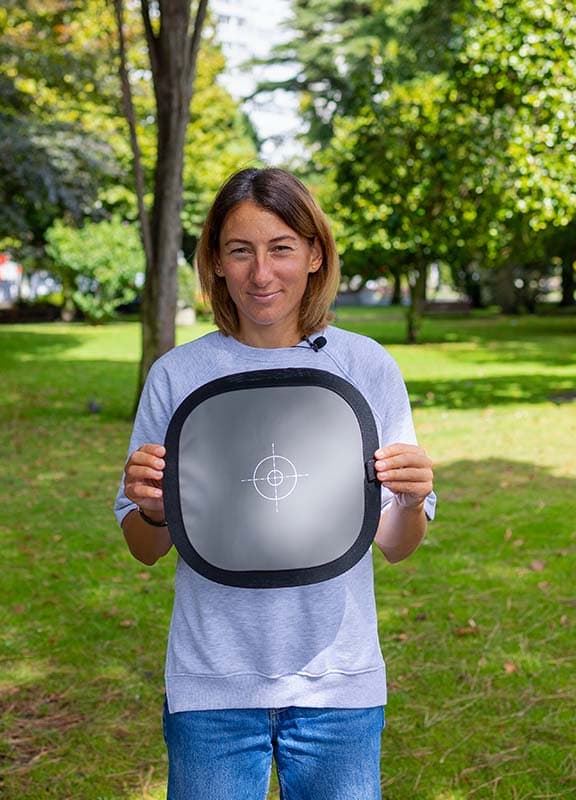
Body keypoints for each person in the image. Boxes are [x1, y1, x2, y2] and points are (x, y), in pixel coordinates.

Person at [114, 167, 436, 800]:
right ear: (216, 262)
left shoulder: (365, 367)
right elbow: (145, 547)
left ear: (315, 254)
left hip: (337, 682)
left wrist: (411, 496)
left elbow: (397, 544)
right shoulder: (179, 375)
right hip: (211, 685)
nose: (261, 274)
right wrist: (152, 510)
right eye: (241, 251)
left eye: (281, 248)